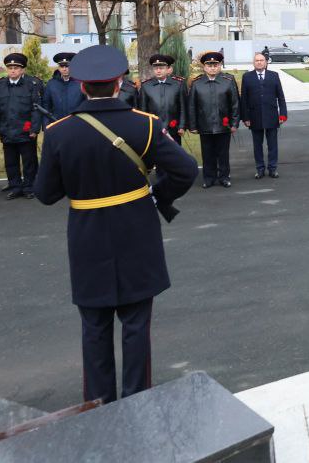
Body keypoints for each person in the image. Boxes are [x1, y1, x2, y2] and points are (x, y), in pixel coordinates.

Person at [33, 44, 198, 404]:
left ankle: (99, 404)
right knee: (137, 326)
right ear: (120, 83)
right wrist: (157, 195)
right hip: (136, 232)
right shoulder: (145, 125)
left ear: (80, 87)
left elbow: (45, 193)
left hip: (87, 236)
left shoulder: (59, 132)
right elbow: (186, 170)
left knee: (94, 327)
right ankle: (137, 401)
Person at [0, 53, 45, 199]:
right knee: (10, 162)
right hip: (7, 130)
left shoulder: (31, 85)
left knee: (29, 162)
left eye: (16, 68)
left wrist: (34, 128)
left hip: (25, 131)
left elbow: (36, 108)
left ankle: (29, 187)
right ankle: (15, 187)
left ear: (22, 70)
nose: (12, 71)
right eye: (10, 68)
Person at [187, 51, 239, 188]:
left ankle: (224, 177)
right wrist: (192, 125)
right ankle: (208, 178)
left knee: (223, 153)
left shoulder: (228, 81)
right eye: (209, 65)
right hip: (205, 125)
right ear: (204, 67)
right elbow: (192, 105)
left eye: (215, 65)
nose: (212, 68)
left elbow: (235, 103)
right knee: (207, 153)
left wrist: (234, 123)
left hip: (224, 125)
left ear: (220, 65)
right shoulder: (197, 83)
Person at [240, 52, 288, 179]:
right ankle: (260, 169)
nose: (259, 62)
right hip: (254, 117)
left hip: (271, 115)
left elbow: (281, 97)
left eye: (261, 60)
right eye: (257, 60)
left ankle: (272, 168)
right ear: (253, 62)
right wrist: (245, 118)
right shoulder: (247, 77)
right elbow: (243, 99)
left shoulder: (274, 76)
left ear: (266, 62)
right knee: (257, 145)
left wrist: (283, 114)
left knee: (272, 145)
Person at [137, 54, 186, 145]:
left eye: (161, 68)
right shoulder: (146, 86)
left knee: (175, 155)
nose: (158, 71)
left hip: (173, 127)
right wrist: (145, 127)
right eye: (156, 68)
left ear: (168, 69)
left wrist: (182, 126)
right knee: (155, 156)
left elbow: (183, 107)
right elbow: (143, 110)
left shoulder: (178, 84)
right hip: (154, 128)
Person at [44, 51, 84, 121]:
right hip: (56, 124)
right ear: (59, 68)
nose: (64, 69)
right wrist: (46, 126)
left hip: (76, 123)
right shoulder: (51, 84)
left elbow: (85, 105)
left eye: (67, 66)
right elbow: (46, 106)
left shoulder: (81, 83)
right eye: (62, 66)